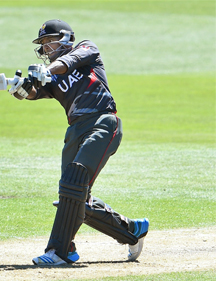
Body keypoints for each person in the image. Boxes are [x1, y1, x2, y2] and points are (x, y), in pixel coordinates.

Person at [8, 19, 149, 265]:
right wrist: (21, 89)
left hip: (103, 123)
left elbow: (68, 63)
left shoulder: (86, 49)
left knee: (74, 185)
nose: (46, 49)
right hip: (75, 131)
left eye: (48, 41)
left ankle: (58, 252)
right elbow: (35, 93)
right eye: (42, 44)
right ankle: (131, 231)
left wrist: (48, 70)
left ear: (64, 38)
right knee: (73, 197)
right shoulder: (51, 75)